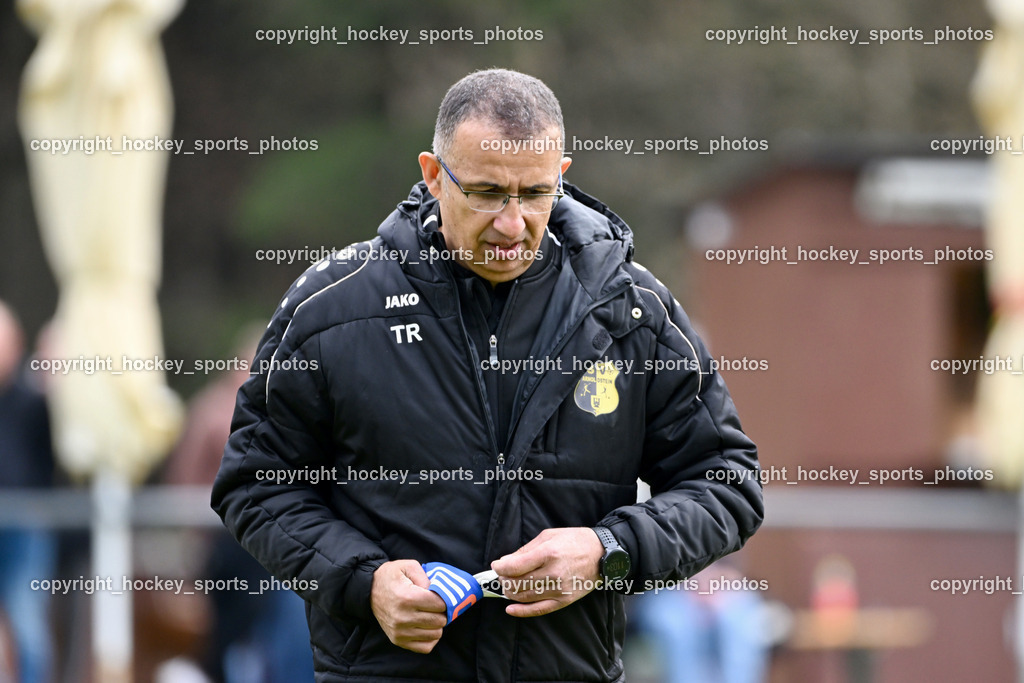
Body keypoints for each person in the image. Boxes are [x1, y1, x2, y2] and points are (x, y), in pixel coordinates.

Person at [212, 68, 763, 682]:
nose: (512, 223)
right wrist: (364, 581)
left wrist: (609, 552)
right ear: (431, 174)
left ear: (563, 174)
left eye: (534, 194)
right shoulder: (330, 310)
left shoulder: (633, 313)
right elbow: (256, 487)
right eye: (485, 192)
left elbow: (727, 485)